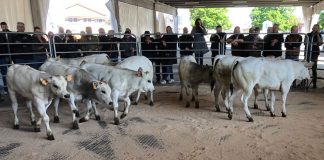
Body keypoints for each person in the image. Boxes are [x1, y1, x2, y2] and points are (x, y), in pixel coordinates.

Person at [306, 24, 323, 88]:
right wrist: (314, 43)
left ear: (318, 29)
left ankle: (314, 83)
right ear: (312, 28)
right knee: (306, 67)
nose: (315, 29)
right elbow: (306, 43)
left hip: (315, 53)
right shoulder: (308, 35)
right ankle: (304, 82)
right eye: (314, 28)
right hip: (308, 53)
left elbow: (320, 43)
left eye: (317, 28)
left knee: (314, 68)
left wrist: (318, 35)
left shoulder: (319, 35)